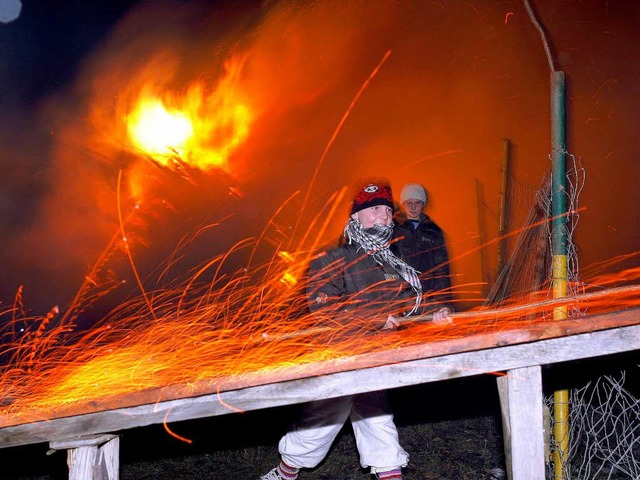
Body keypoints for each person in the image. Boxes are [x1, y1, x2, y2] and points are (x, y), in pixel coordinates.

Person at [259, 180, 438, 480]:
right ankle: (286, 471)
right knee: (325, 419)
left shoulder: (389, 258)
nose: (383, 216)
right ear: (355, 217)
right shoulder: (332, 256)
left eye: (386, 210)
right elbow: (325, 309)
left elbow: (408, 298)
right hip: (341, 352)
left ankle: (389, 473)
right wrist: (374, 318)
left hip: (376, 352)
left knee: (376, 415)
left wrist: (434, 311)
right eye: (374, 209)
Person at [393, 183, 453, 318]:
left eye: (417, 203)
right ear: (403, 203)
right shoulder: (393, 229)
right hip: (400, 301)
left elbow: (442, 270)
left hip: (427, 299)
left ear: (423, 204)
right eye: (409, 203)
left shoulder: (433, 232)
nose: (413, 207)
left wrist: (444, 303)